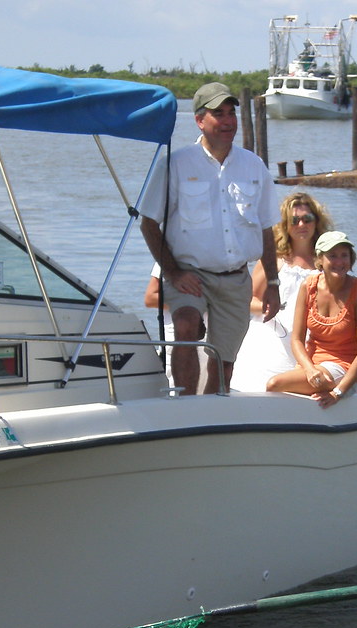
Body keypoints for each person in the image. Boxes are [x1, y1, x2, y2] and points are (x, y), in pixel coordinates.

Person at [138, 82, 280, 395]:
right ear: (200, 120)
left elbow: (267, 229)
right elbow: (148, 223)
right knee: (186, 326)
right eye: (219, 114)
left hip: (235, 279)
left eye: (232, 113)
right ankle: (184, 404)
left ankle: (211, 410)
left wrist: (272, 284)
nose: (229, 121)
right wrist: (173, 272)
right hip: (190, 274)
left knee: (224, 361)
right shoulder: (175, 163)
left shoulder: (254, 165)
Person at [231, 192, 333, 392]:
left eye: (307, 219)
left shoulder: (326, 261)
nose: (301, 225)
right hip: (272, 338)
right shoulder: (274, 260)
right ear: (285, 224)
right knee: (260, 388)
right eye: (294, 220)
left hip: (312, 340)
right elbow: (246, 299)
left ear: (317, 221)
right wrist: (270, 307)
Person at [266, 231, 357, 408]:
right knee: (278, 395)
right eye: (332, 256)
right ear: (320, 260)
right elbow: (297, 340)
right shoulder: (308, 286)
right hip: (312, 365)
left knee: (274, 384)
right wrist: (309, 369)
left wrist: (337, 393)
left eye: (344, 256)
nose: (339, 262)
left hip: (344, 366)